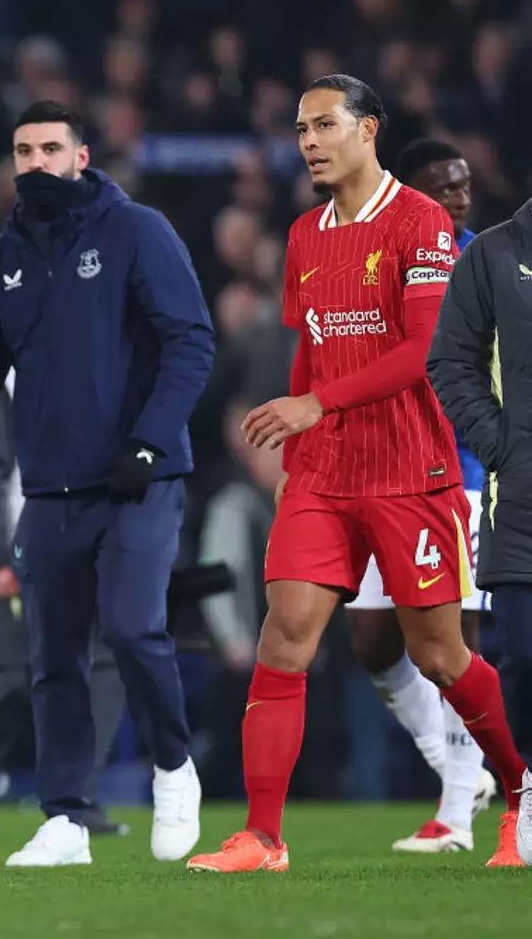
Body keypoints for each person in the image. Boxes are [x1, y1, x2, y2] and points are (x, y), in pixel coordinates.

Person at [186, 74, 530, 874]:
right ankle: (262, 838)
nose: (308, 141)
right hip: (326, 474)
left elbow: (423, 352)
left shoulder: (422, 223)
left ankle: (518, 790)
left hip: (413, 469)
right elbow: (308, 344)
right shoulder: (306, 233)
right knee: (285, 638)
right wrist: (299, 456)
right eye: (301, 129)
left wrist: (314, 405)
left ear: (368, 129)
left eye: (324, 125)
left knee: (441, 654)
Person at [0, 101, 213, 867]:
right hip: (51, 491)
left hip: (139, 481)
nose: (36, 163)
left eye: (51, 148)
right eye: (23, 150)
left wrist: (151, 444)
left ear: (82, 157)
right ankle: (65, 818)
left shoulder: (138, 232)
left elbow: (191, 341)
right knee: (50, 659)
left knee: (130, 630)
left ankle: (172, 768)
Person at [343, 137, 495, 853]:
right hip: (380, 468)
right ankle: (458, 766)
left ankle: (458, 811)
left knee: (455, 636)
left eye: (465, 186)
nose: (460, 198)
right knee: (373, 638)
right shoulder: (366, 251)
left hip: (461, 471)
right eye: (445, 187)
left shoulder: (485, 264)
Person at [0, 376, 130, 838]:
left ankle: (81, 795)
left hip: (91, 544)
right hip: (25, 553)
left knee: (101, 670)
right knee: (12, 680)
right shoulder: (0, 386)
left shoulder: (97, 373)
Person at [425, 185, 532, 867]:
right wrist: (504, 448)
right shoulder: (494, 254)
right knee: (522, 659)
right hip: (520, 502)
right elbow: (449, 361)